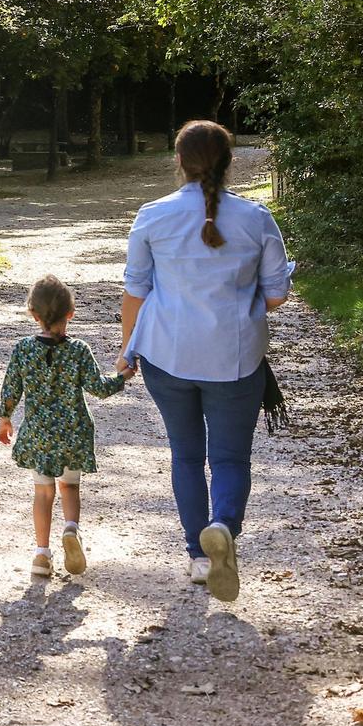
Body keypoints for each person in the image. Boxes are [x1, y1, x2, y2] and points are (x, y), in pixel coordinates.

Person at [116, 119, 293, 603]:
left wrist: (127, 347)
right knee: (231, 457)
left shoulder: (152, 216)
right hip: (235, 359)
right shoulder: (257, 219)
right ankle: (223, 526)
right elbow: (276, 295)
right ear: (229, 163)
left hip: (167, 356)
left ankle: (198, 555)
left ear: (178, 161)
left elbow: (136, 290)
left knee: (186, 455)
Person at [0, 274, 126, 577]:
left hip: (40, 435)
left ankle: (41, 555)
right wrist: (123, 377)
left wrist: (5, 418)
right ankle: (71, 529)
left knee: (42, 493)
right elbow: (99, 388)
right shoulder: (79, 350)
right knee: (69, 486)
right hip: (73, 434)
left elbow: (11, 389)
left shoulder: (23, 350)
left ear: (33, 314)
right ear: (71, 313)